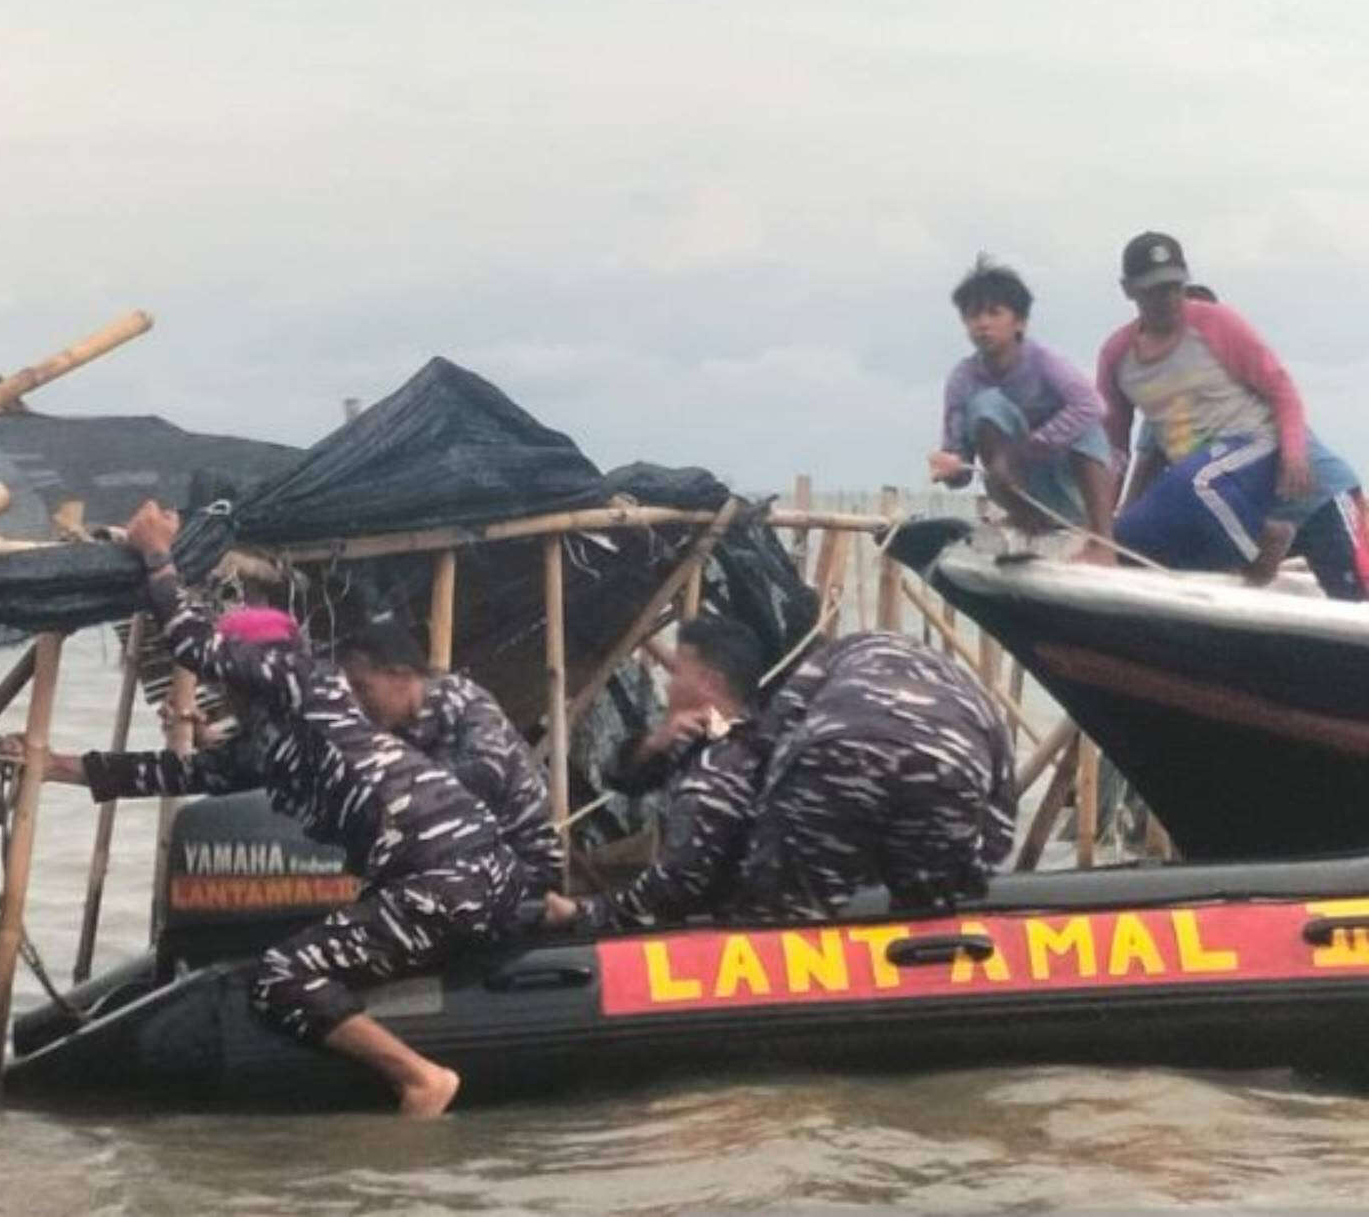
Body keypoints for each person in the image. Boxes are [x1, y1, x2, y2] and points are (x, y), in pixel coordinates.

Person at [48, 501, 525, 1117]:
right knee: (296, 952)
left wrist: (157, 558)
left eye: (230, 680)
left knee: (283, 976)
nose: (223, 690)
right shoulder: (274, 745)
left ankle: (421, 1079)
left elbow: (197, 647)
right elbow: (171, 771)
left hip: (446, 875)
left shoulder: (304, 678)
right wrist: (53, 766)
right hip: (454, 879)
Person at [544, 617, 1015, 930]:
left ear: (707, 684)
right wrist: (971, 874)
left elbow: (682, 880)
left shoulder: (728, 761)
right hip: (965, 758)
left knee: (781, 922)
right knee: (931, 915)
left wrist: (588, 915)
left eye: (675, 674)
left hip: (841, 750)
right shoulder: (836, 672)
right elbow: (997, 801)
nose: (668, 685)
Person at [1097, 231, 1365, 595]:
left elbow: (1282, 389)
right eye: (1156, 290)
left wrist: (1294, 453)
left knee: (1355, 599)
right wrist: (1104, 531)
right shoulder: (1133, 374)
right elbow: (1119, 455)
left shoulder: (1218, 329)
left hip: (1310, 494)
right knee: (1136, 538)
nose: (1170, 300)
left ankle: (1263, 553)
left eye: (1176, 287)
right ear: (1130, 290)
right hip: (1235, 508)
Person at [336, 615, 565, 892]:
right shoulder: (385, 733)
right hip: (454, 869)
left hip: (523, 867)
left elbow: (486, 774)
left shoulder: (463, 701)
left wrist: (400, 795)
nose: (358, 703)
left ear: (400, 676)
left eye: (363, 688)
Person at [926, 256, 1115, 560]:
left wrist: (1034, 445)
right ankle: (1027, 521)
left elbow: (1092, 405)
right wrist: (949, 468)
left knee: (1087, 428)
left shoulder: (1043, 361)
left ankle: (1102, 541)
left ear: (1019, 322)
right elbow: (960, 469)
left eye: (994, 313)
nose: (983, 324)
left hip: (1069, 482)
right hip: (1015, 484)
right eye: (973, 316)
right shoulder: (962, 379)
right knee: (986, 406)